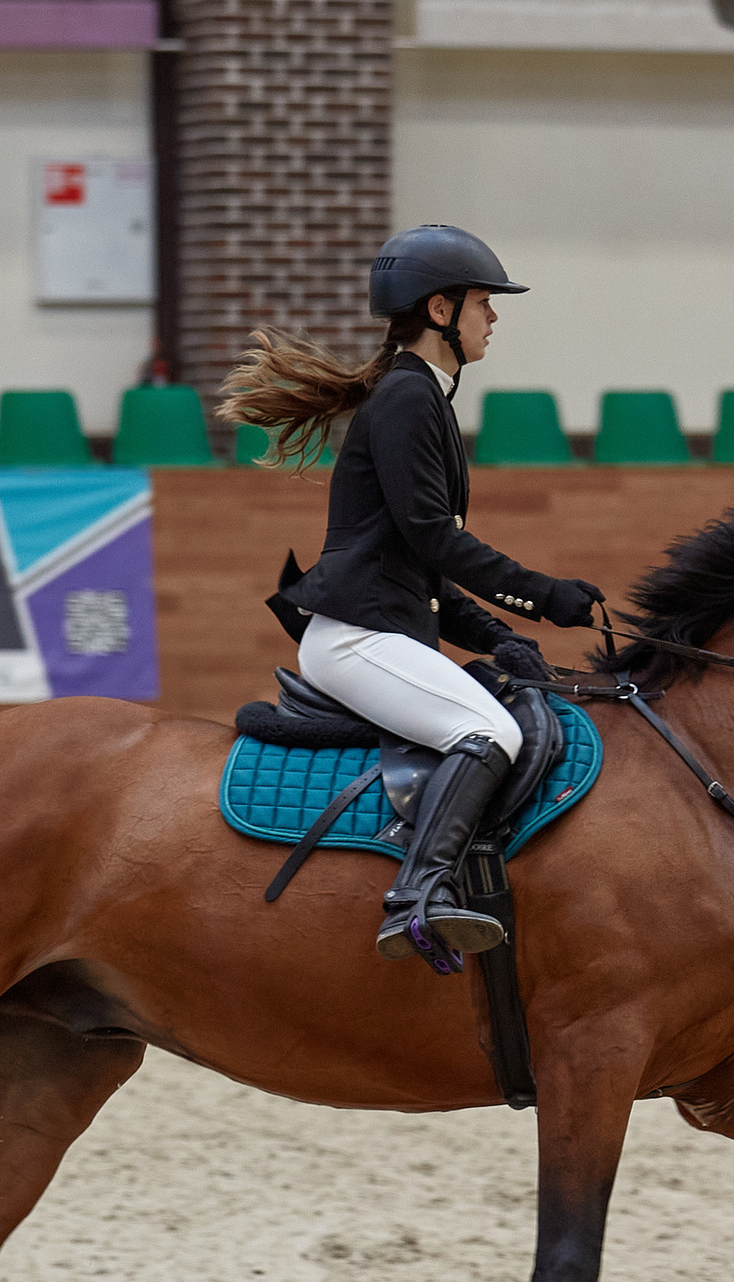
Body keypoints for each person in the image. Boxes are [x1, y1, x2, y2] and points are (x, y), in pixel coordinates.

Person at [221, 225, 603, 964]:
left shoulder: (423, 397)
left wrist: (499, 636)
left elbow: (420, 570)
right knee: (491, 734)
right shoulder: (406, 399)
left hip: (384, 626)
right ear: (440, 310)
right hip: (357, 639)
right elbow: (436, 539)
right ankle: (418, 897)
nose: (493, 318)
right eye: (484, 304)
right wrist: (540, 595)